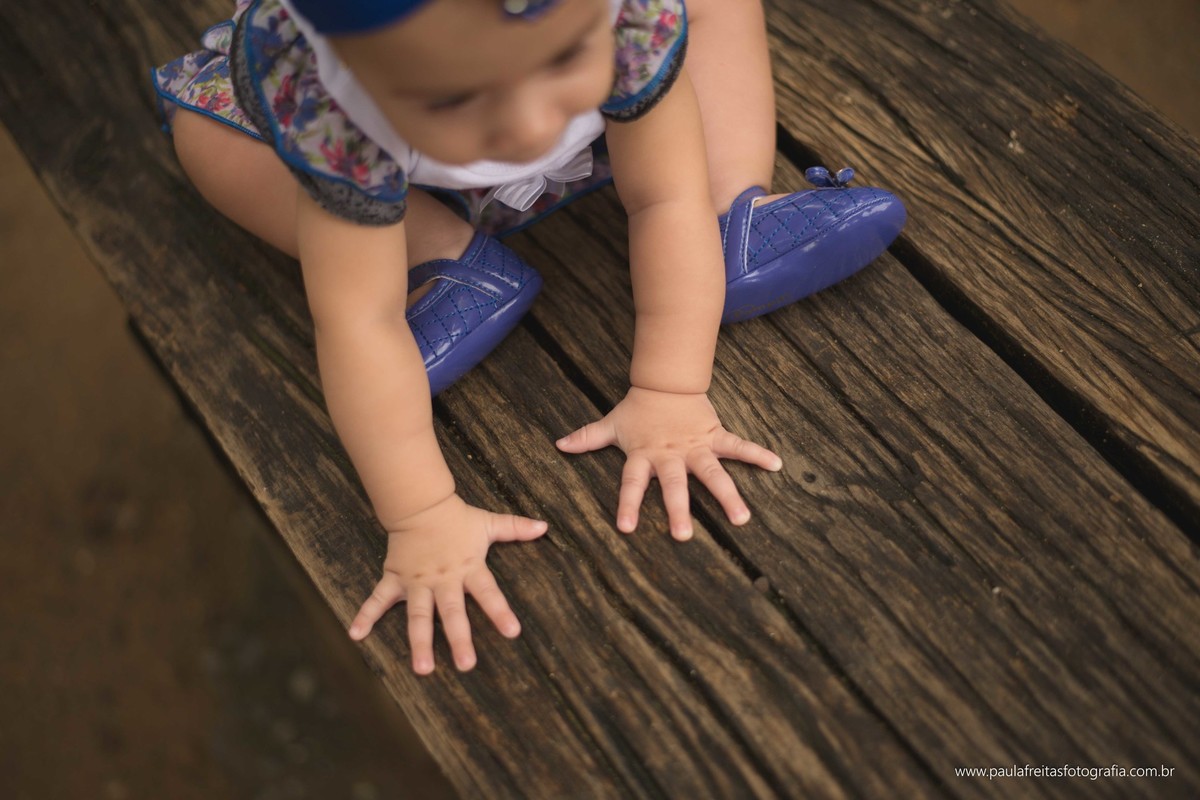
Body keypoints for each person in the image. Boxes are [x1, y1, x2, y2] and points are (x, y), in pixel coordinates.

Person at [152, 0, 906, 674]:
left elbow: (660, 196)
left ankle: (730, 208)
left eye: (559, 56)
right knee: (206, 131)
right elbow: (357, 321)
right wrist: (419, 514)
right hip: (401, 175)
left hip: (623, 124)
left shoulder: (625, 21)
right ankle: (435, 253)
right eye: (453, 91)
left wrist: (671, 388)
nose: (530, 125)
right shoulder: (332, 101)